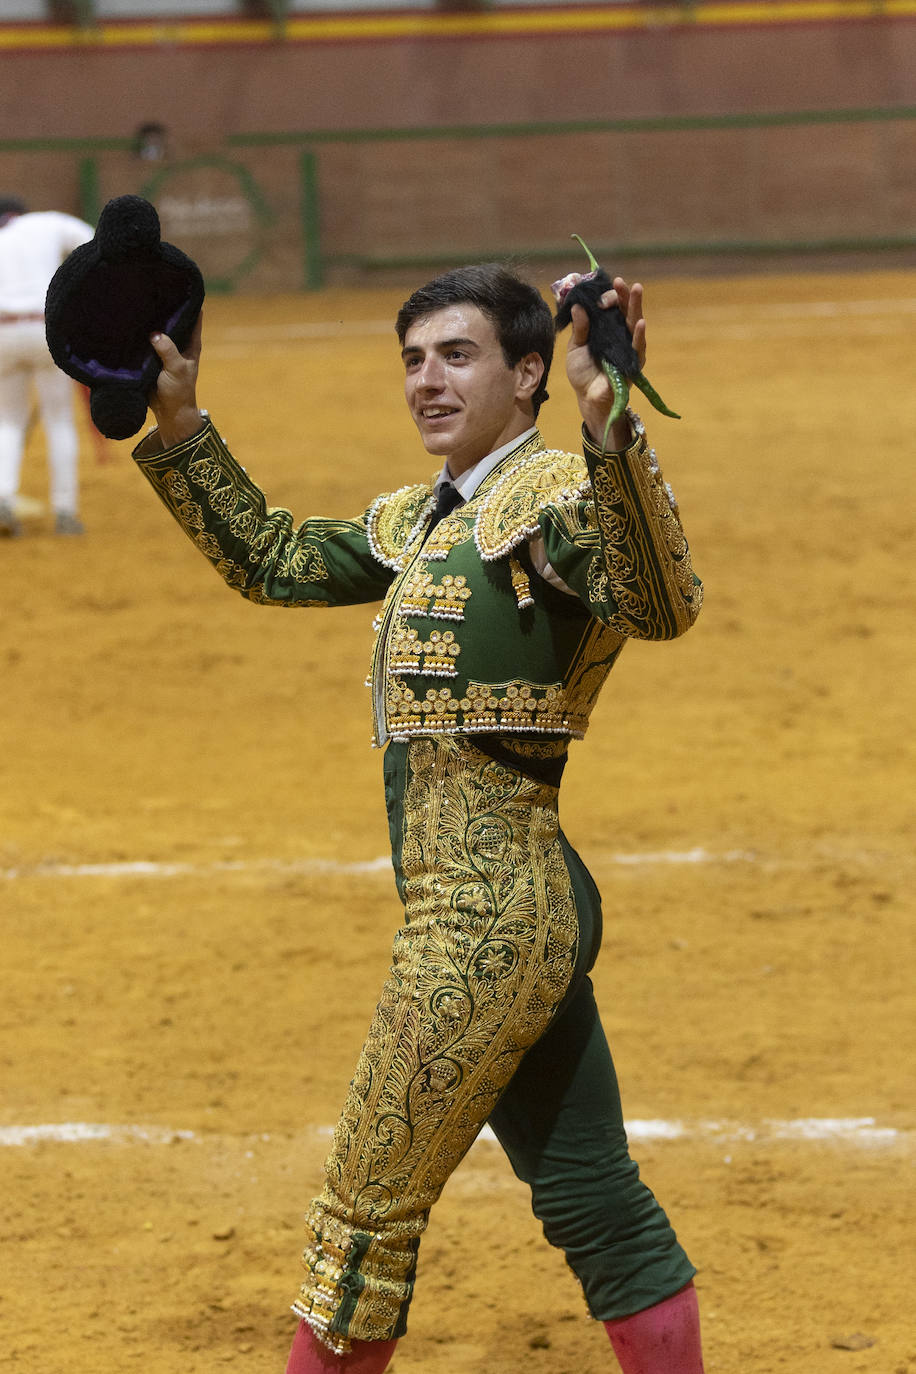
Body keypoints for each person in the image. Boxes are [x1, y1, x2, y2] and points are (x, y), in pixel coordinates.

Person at [135, 262, 705, 1374]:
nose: (426, 381)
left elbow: (660, 600)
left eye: (457, 356)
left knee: (361, 1222)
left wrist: (609, 424)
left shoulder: (549, 498)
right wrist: (182, 422)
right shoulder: (422, 515)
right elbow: (273, 558)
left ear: (528, 372)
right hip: (514, 903)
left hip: (482, 921)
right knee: (593, 1194)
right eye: (411, 359)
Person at [0, 196, 94, 537]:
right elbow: (96, 244)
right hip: (46, 327)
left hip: (2, 332)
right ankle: (65, 512)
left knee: (8, 419)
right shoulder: (48, 221)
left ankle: (2, 495)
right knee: (59, 420)